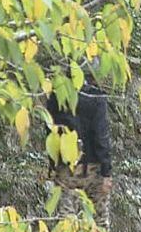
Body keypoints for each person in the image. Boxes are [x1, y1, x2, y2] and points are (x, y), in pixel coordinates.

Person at [45, 65, 113, 197]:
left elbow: (50, 133)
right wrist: (106, 172)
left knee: (66, 214)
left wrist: (53, 165)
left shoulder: (55, 97)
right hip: (93, 170)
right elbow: (101, 136)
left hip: (65, 168)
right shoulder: (96, 98)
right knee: (98, 216)